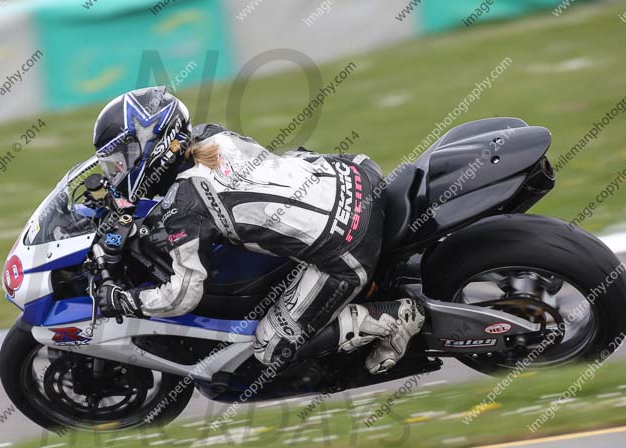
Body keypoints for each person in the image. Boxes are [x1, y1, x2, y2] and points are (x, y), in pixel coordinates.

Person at [94, 86, 423, 374]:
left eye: (124, 158)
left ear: (155, 145)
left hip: (346, 245)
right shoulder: (209, 135)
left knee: (269, 347)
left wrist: (126, 300)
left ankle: (393, 318)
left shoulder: (186, 204)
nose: (118, 170)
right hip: (351, 174)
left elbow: (183, 295)